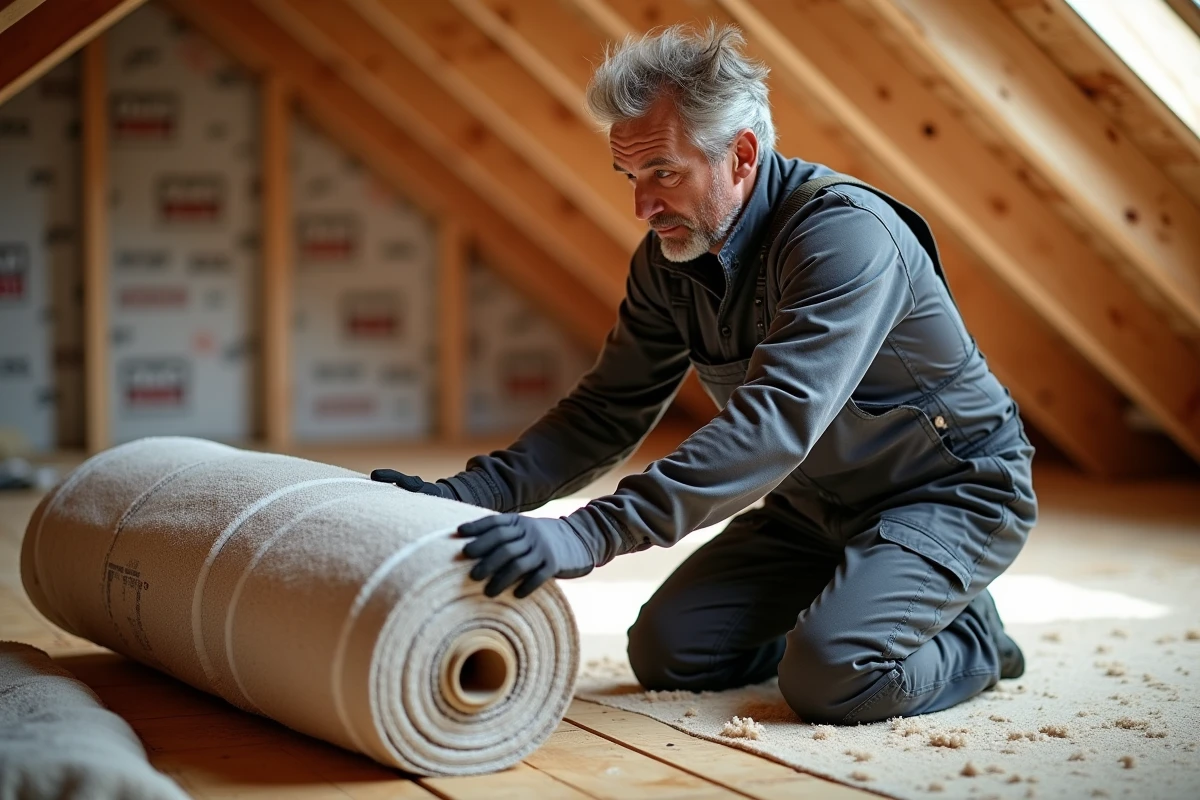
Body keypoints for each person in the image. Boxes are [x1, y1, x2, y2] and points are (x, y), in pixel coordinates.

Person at [371, 24, 1036, 724]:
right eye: (632, 177)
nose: (643, 206)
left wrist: (587, 533)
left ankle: (972, 637)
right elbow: (606, 410)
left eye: (663, 172)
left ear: (741, 154)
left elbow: (774, 424)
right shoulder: (671, 258)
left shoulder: (844, 236)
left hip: (952, 494)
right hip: (815, 508)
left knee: (834, 677)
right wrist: (466, 495)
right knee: (672, 653)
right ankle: (869, 597)